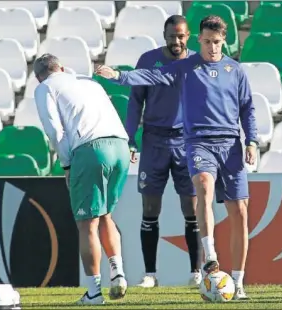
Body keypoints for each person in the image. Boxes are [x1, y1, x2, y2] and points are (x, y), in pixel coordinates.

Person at [94, 15, 258, 300]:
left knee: (240, 212)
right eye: (206, 42)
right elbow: (151, 76)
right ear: (199, 40)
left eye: (216, 42)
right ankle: (208, 258)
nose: (211, 48)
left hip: (230, 143)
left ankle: (238, 281)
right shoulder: (186, 66)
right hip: (195, 142)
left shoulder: (235, 69)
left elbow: (248, 108)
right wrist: (119, 76)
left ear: (224, 41)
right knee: (201, 188)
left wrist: (252, 140)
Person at [33, 53, 130, 305]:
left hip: (90, 150)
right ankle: (117, 271)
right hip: (120, 146)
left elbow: (54, 130)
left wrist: (66, 164)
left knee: (88, 224)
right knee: (106, 214)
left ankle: (95, 293)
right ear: (63, 67)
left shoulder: (45, 88)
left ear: (37, 77)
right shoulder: (88, 81)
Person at [126, 15, 201, 288]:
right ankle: (150, 274)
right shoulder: (148, 60)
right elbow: (135, 102)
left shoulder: (197, 62)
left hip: (187, 142)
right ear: (165, 35)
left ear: (188, 36)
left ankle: (196, 272)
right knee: (150, 208)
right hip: (154, 141)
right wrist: (130, 139)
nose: (176, 41)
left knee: (191, 207)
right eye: (172, 36)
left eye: (181, 36)